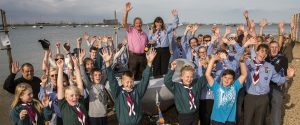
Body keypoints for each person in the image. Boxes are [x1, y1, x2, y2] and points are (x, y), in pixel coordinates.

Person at [243, 44, 295, 125]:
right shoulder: (248, 63)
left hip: (263, 98)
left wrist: (288, 77)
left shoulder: (269, 67)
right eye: (262, 51)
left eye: (266, 53)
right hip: (250, 97)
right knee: (247, 121)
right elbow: (237, 59)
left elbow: (278, 80)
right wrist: (246, 45)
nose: (263, 54)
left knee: (259, 122)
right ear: (256, 52)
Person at [102, 47, 156, 125]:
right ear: (122, 81)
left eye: (131, 82)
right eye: (127, 82)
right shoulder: (118, 93)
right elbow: (112, 81)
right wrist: (107, 63)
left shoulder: (137, 91)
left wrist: (149, 63)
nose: (129, 84)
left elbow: (145, 80)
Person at [205, 54, 247, 125]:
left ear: (233, 81)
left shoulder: (235, 87)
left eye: (230, 78)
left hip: (230, 121)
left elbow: (244, 75)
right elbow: (207, 75)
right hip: (216, 120)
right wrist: (212, 60)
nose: (227, 80)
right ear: (221, 78)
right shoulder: (216, 87)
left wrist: (242, 62)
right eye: (225, 77)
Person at [164, 61, 207, 125]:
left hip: (195, 115)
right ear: (181, 77)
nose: (189, 79)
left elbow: (205, 78)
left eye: (191, 77)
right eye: (187, 77)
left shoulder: (196, 84)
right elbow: (167, 81)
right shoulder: (177, 87)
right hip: (184, 116)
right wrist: (172, 69)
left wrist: (203, 67)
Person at [79, 48, 108, 125]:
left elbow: (106, 71)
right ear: (92, 77)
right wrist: (81, 62)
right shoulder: (90, 86)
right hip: (93, 116)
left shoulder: (102, 83)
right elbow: (84, 76)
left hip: (103, 114)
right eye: (95, 75)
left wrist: (106, 61)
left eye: (99, 75)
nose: (97, 77)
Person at [57, 56, 88, 125]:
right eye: (71, 96)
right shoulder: (64, 106)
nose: (75, 97)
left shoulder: (80, 101)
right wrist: (60, 68)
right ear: (66, 97)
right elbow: (60, 87)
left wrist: (76, 66)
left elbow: (80, 84)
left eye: (76, 95)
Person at [148, 9, 179, 77]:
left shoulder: (166, 30)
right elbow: (149, 39)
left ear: (162, 23)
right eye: (157, 22)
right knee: (156, 66)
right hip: (156, 50)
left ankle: (164, 81)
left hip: (165, 50)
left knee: (164, 66)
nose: (158, 23)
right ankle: (156, 78)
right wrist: (151, 41)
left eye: (160, 22)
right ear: (155, 23)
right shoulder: (152, 31)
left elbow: (174, 25)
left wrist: (175, 16)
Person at [122, 2, 148, 80]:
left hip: (143, 57)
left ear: (141, 24)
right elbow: (124, 23)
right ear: (134, 24)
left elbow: (146, 46)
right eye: (136, 23)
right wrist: (126, 12)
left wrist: (148, 47)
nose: (138, 24)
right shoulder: (130, 30)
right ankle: (131, 89)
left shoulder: (145, 34)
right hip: (133, 57)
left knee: (142, 74)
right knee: (132, 75)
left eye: (140, 23)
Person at [265, 41, 288, 125]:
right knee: (265, 109)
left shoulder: (282, 58)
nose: (274, 49)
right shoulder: (266, 58)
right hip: (264, 87)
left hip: (276, 87)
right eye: (272, 47)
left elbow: (274, 71)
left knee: (276, 109)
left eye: (276, 47)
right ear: (269, 49)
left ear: (278, 49)